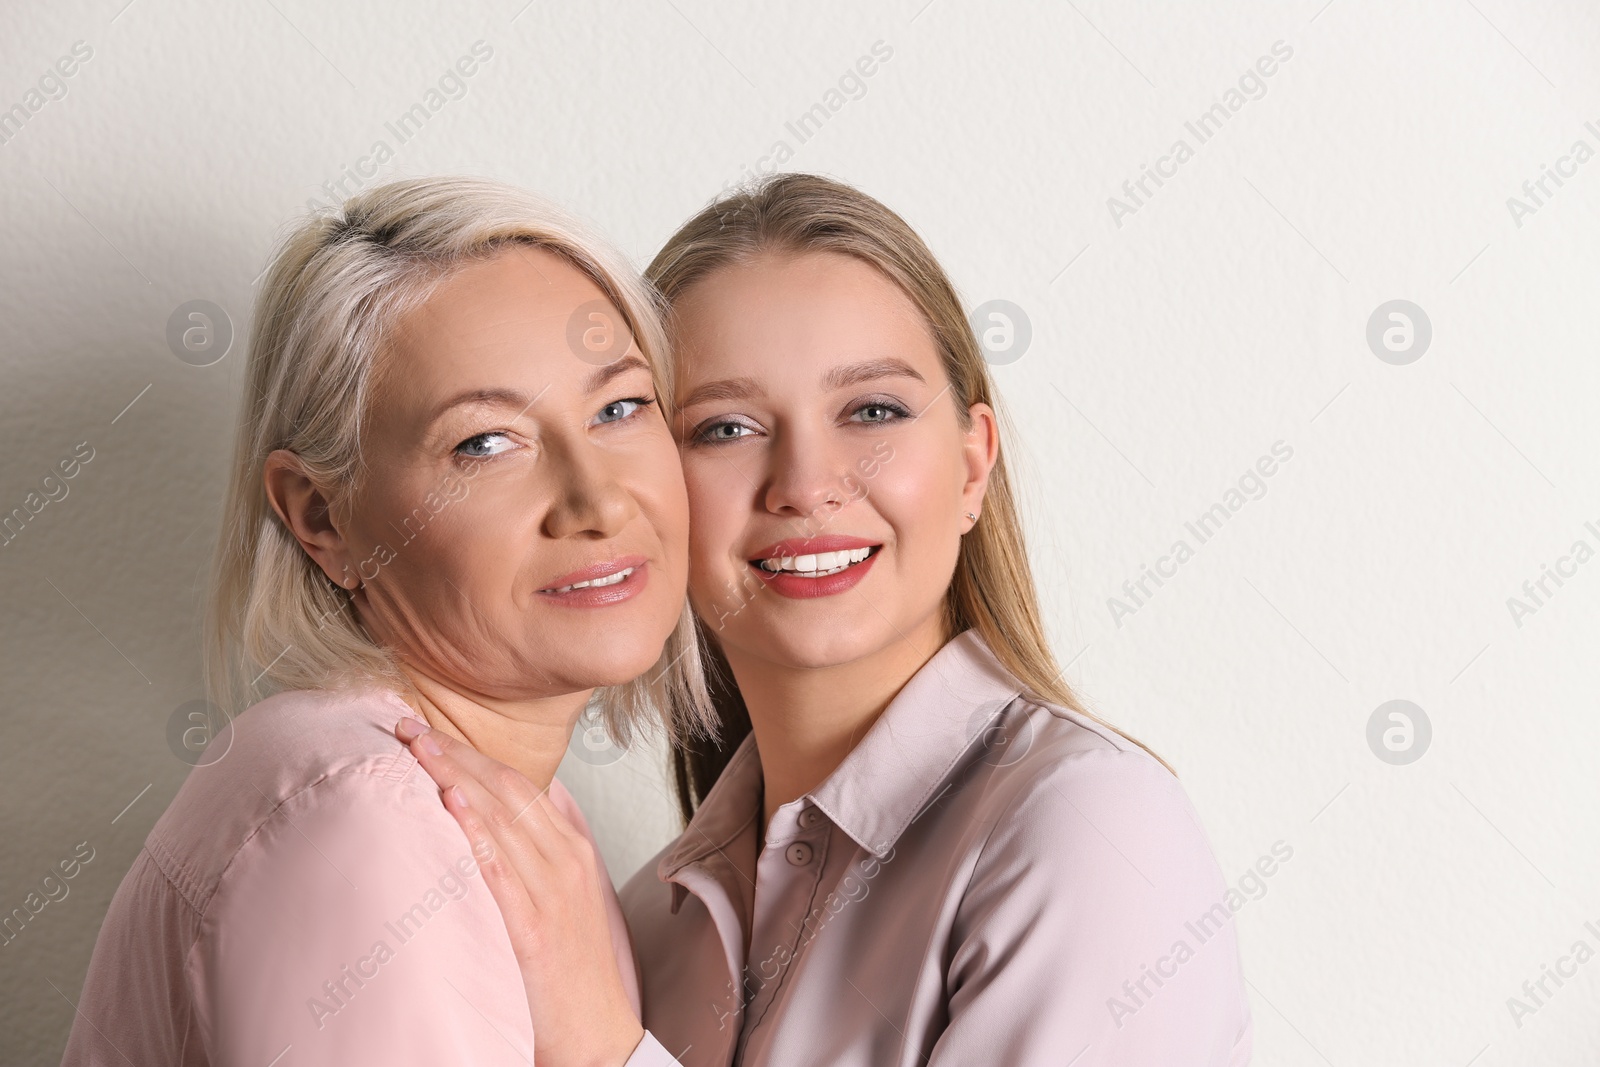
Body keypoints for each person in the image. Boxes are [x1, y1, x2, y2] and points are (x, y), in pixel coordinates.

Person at [404, 173, 1253, 1065]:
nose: (806, 484)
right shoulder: (644, 924)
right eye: (725, 428)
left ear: (972, 468)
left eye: (872, 411)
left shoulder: (1090, 831)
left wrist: (604, 1049)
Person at [61, 177, 704, 1067]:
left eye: (620, 407)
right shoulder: (368, 820)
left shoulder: (519, 818)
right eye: (484, 442)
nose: (595, 499)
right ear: (322, 516)